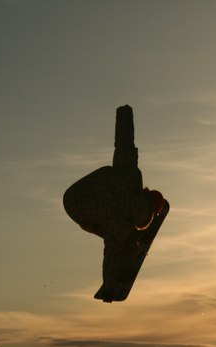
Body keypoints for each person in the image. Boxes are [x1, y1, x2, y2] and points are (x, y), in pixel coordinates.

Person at [63, 105, 165, 300]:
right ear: (150, 216)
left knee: (115, 237)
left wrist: (125, 114)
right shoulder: (119, 226)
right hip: (84, 209)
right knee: (119, 243)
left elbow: (124, 143)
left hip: (79, 193)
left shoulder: (131, 176)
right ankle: (130, 249)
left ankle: (130, 244)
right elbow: (110, 256)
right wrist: (110, 288)